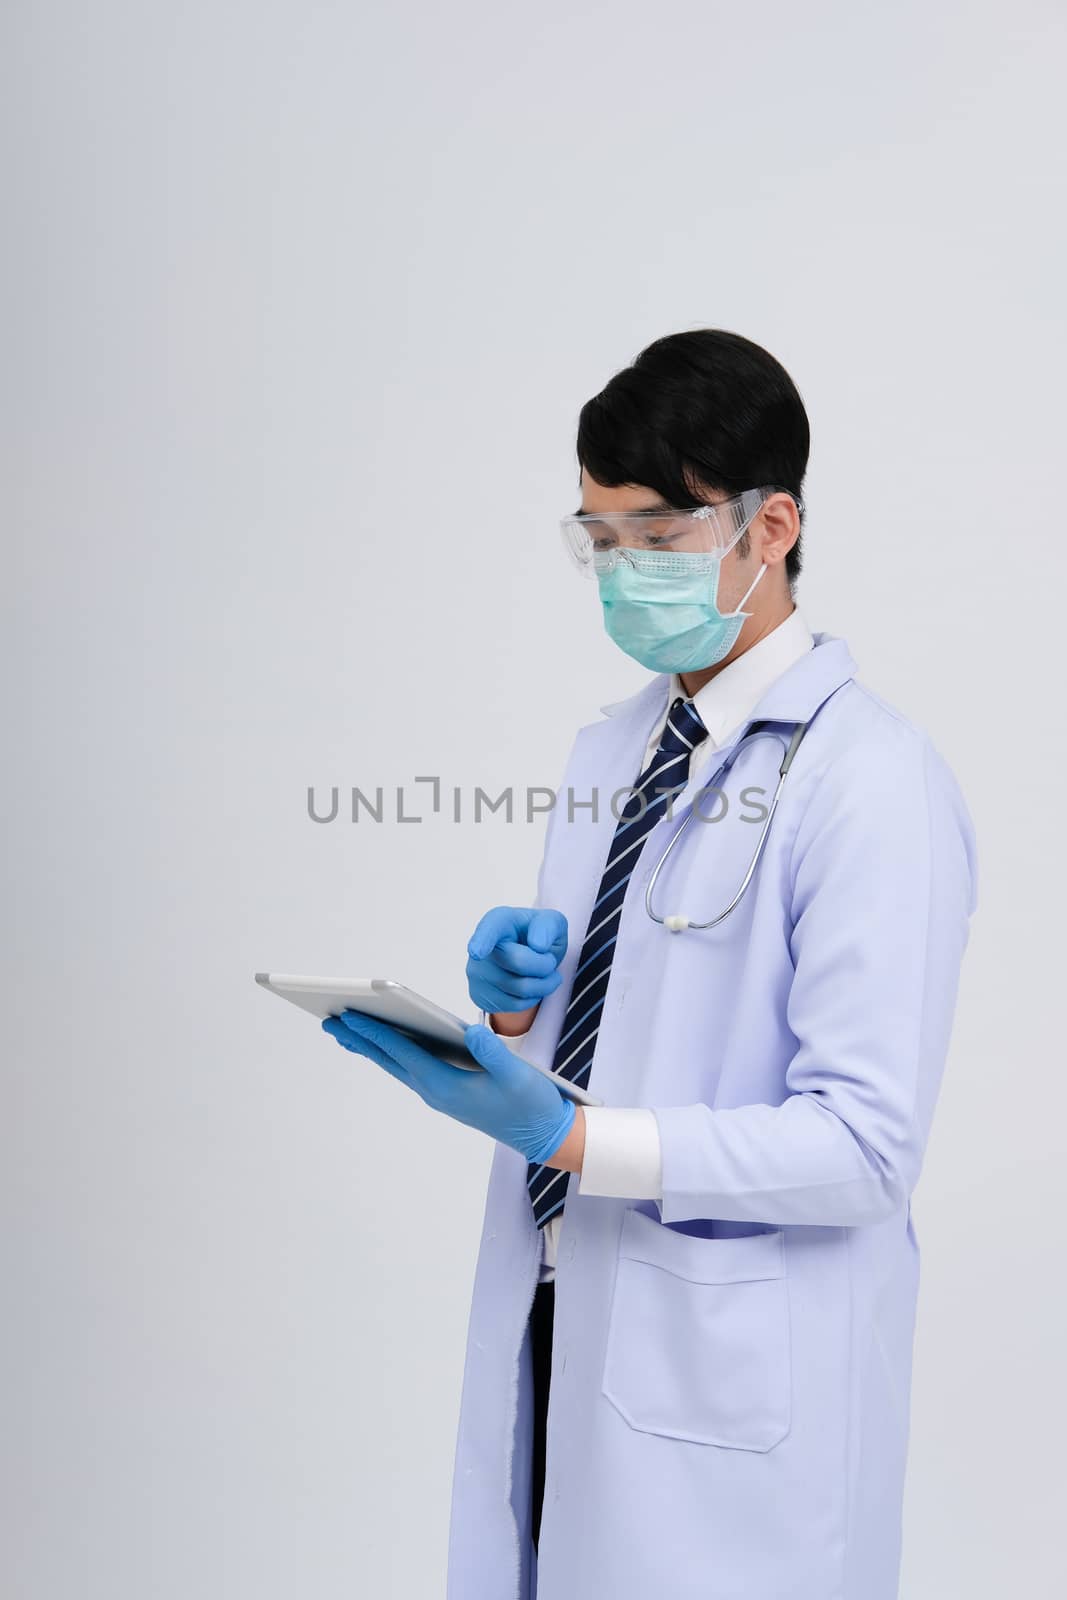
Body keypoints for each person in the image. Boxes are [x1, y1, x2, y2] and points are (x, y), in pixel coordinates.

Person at [323, 329, 978, 1600]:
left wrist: (569, 1138)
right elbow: (603, 1046)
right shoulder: (608, 751)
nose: (624, 574)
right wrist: (515, 1014)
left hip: (733, 1379)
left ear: (768, 523)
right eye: (598, 540)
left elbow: (861, 1150)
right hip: (567, 1312)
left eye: (657, 540)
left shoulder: (872, 782)